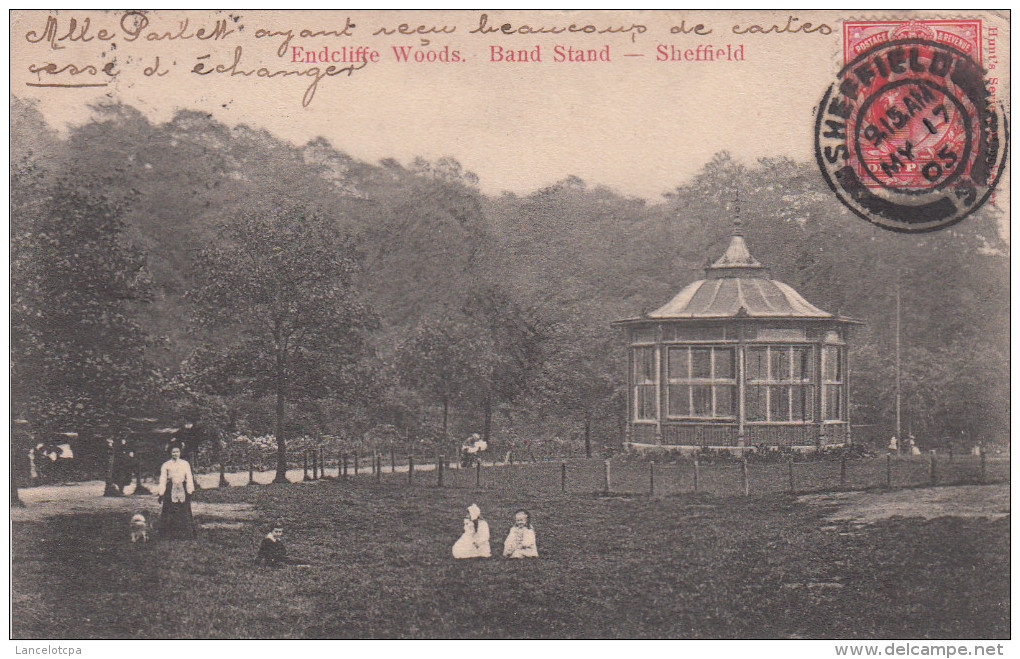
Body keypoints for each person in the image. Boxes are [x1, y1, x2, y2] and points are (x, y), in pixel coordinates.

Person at [158, 445, 196, 539]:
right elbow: (163, 479)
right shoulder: (166, 464)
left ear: (180, 453)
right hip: (171, 488)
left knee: (184, 510)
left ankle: (186, 534)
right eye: (173, 452)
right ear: (170, 453)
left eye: (177, 452)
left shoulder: (185, 463)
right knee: (169, 510)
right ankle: (168, 534)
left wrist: (190, 490)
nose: (175, 454)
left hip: (182, 488)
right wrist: (161, 493)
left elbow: (189, 477)